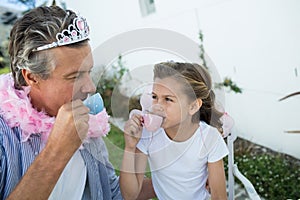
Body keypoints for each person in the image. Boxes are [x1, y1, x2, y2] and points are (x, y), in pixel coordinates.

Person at [0, 6, 155, 200]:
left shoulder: (86, 121)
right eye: (74, 76)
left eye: (88, 72)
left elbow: (110, 192)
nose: (90, 87)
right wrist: (57, 151)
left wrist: (180, 180)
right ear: (32, 77)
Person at [120, 62, 229, 200]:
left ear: (193, 106)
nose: (158, 106)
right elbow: (130, 195)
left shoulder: (209, 138)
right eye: (154, 97)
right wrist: (129, 148)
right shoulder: (148, 134)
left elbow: (219, 197)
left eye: (168, 99)